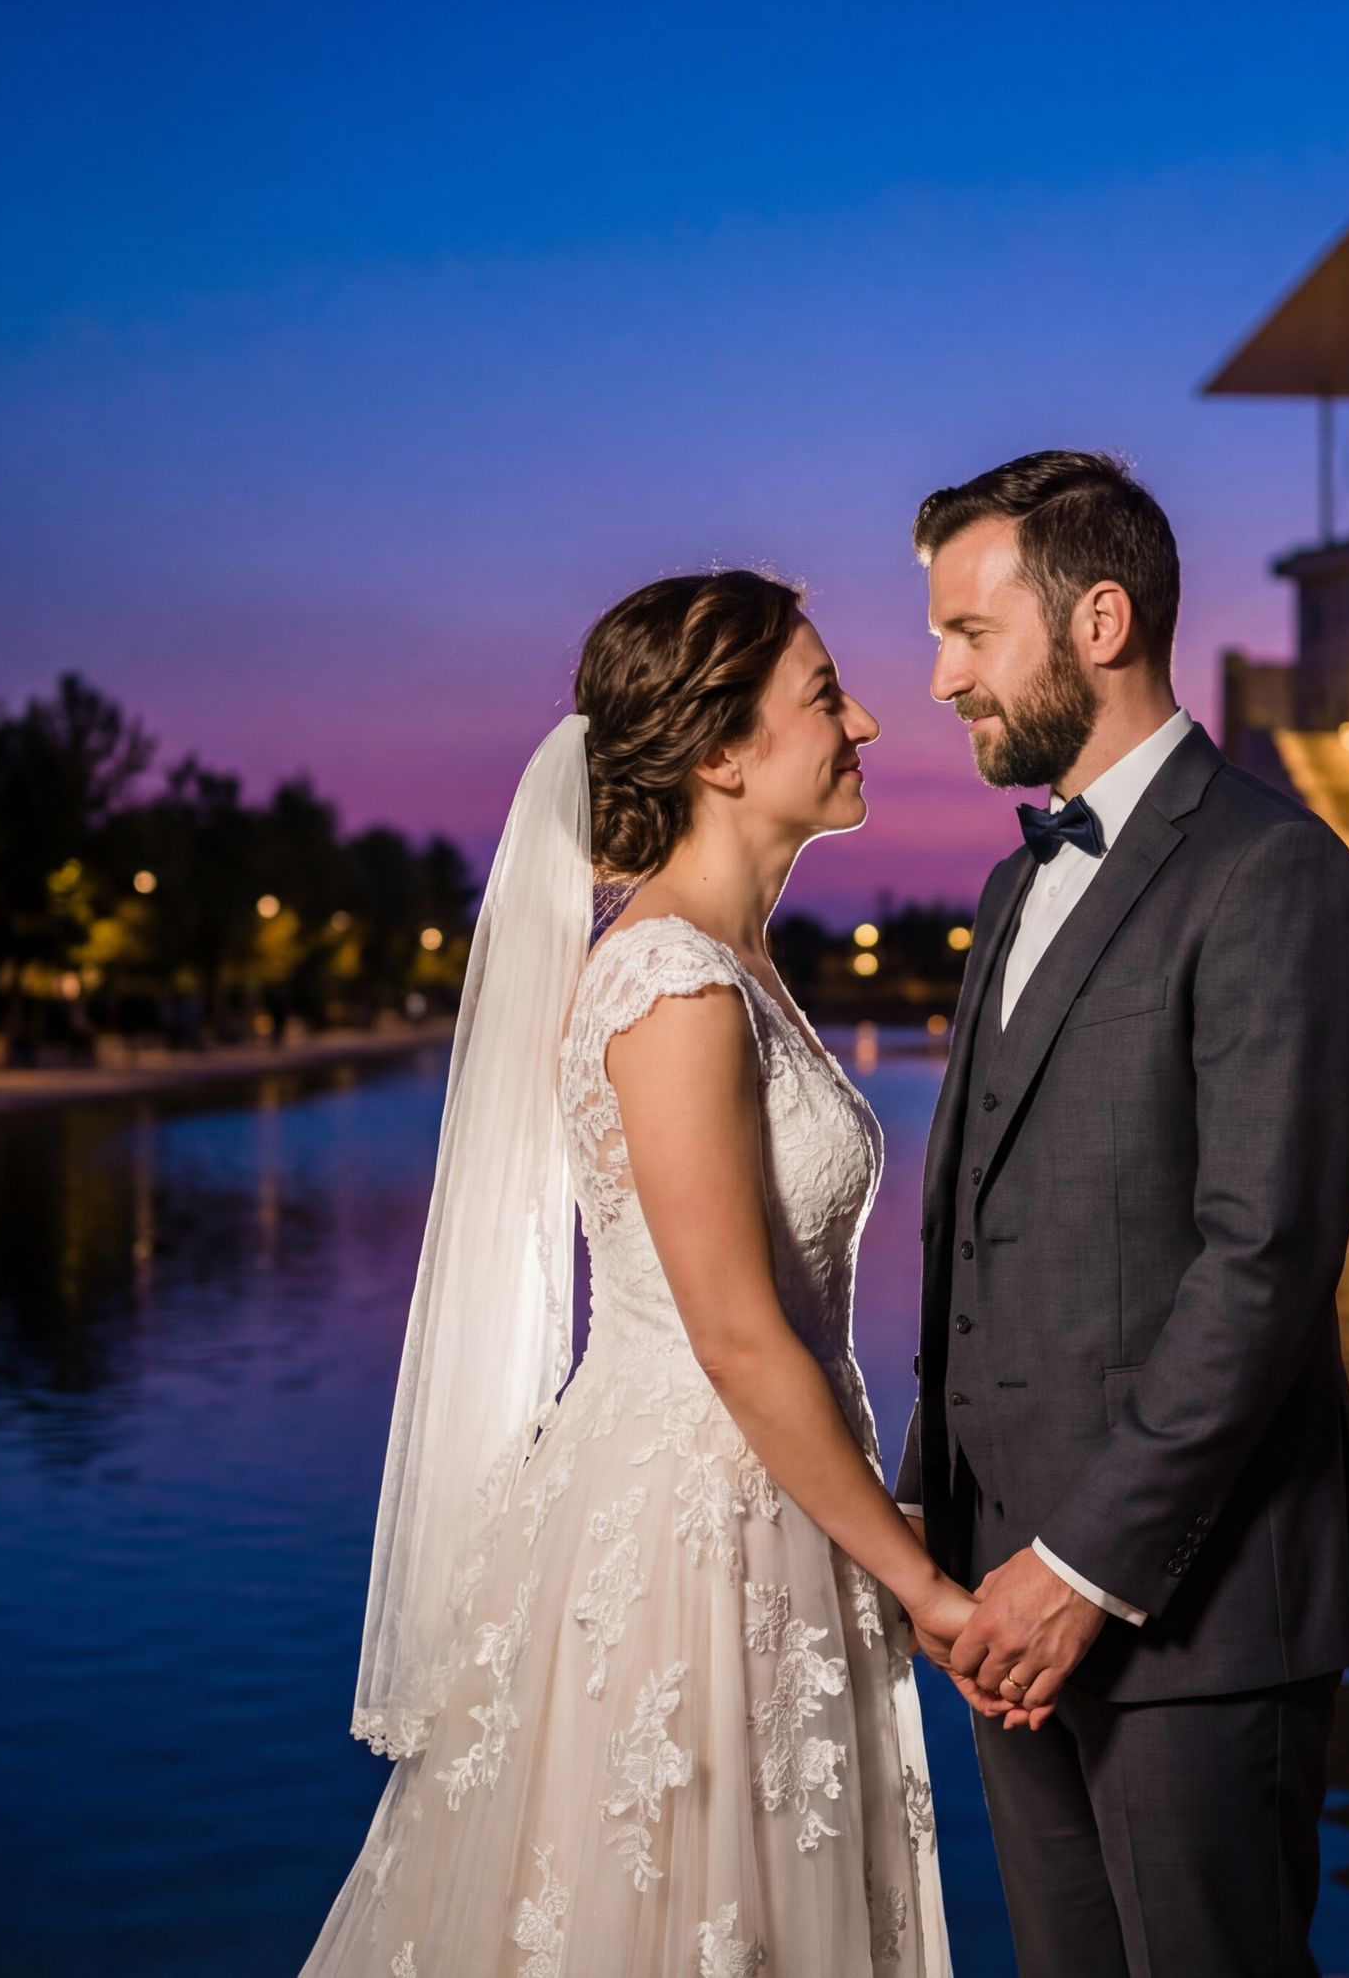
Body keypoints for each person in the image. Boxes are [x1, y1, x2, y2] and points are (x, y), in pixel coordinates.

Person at [299, 571, 955, 1976]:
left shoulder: (737, 965)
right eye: (824, 695)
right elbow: (732, 1334)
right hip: (695, 1536)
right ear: (720, 752)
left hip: (778, 1502)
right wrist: (926, 1584)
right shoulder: (668, 982)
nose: (869, 720)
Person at [902, 452, 1349, 1978]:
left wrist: (1084, 1568)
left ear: (1099, 619)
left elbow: (1266, 1263)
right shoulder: (1008, 889)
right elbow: (981, 1223)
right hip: (1005, 1608)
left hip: (1191, 1610)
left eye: (971, 635)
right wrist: (948, 1526)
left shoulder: (1275, 873)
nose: (940, 680)